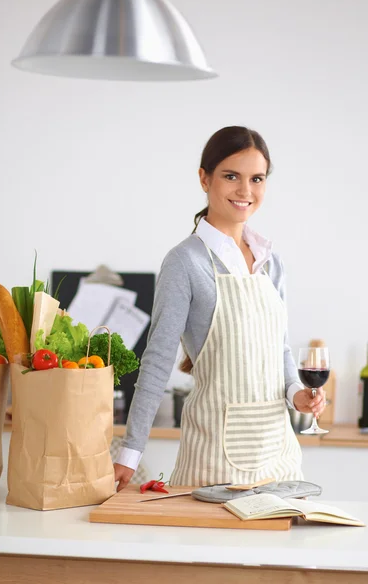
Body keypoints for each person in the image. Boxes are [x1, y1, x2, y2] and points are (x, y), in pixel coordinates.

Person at [114, 126, 326, 490]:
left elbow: (282, 350)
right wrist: (129, 454)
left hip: (280, 459)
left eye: (256, 179)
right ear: (204, 178)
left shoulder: (271, 262)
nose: (246, 191)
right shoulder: (185, 262)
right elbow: (158, 360)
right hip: (214, 461)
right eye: (232, 176)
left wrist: (297, 394)